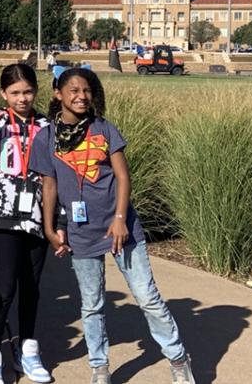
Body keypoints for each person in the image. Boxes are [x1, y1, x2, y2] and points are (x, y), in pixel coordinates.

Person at [31, 68, 195, 384]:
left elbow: (123, 176)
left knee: (147, 297)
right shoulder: (46, 138)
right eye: (74, 90)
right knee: (92, 305)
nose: (81, 96)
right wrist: (50, 228)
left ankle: (177, 358)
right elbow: (48, 186)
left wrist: (120, 219)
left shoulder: (104, 129)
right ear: (58, 94)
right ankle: (99, 368)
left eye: (87, 90)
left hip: (121, 230)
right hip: (81, 233)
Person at [0, 64, 53, 384]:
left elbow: (55, 174)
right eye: (15, 93)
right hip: (4, 215)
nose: (22, 98)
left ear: (36, 91)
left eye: (28, 91)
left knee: (31, 287)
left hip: (37, 215)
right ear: (4, 93)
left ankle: (27, 349)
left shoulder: (47, 126)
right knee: (6, 288)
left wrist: (56, 220)